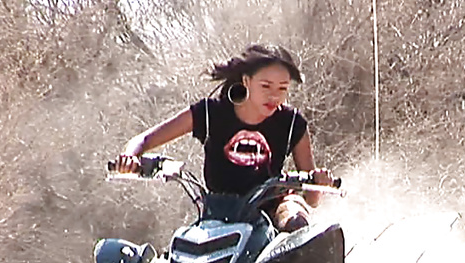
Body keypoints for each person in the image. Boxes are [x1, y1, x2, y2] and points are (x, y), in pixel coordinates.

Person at [116, 44, 333, 231]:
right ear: (246, 81)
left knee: (295, 216)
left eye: (282, 88)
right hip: (218, 215)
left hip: (271, 211)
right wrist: (130, 158)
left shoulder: (292, 122)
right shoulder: (210, 113)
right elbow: (143, 140)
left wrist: (319, 181)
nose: (274, 96)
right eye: (265, 86)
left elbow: (312, 199)